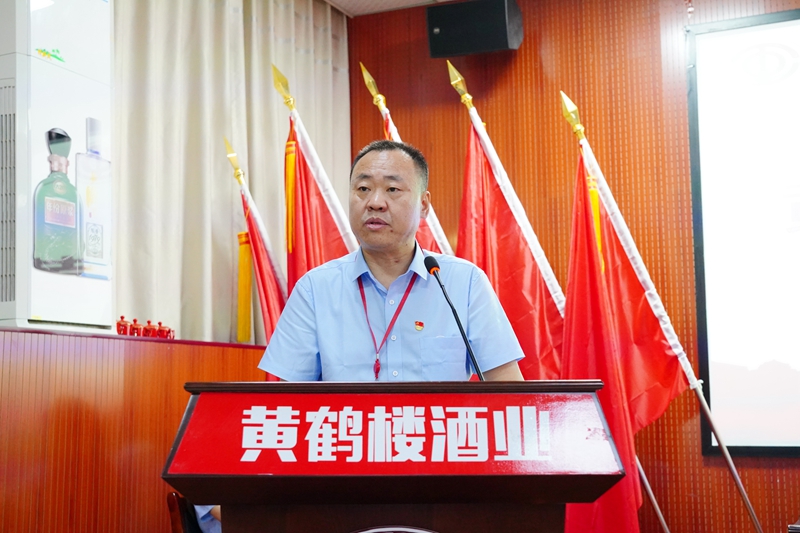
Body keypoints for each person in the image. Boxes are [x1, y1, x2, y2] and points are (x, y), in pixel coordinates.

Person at [258, 140, 524, 382]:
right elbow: (286, 402)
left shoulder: (464, 283)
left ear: (423, 205)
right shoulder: (315, 290)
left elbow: (508, 391)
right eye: (363, 189)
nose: (375, 202)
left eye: (392, 189)